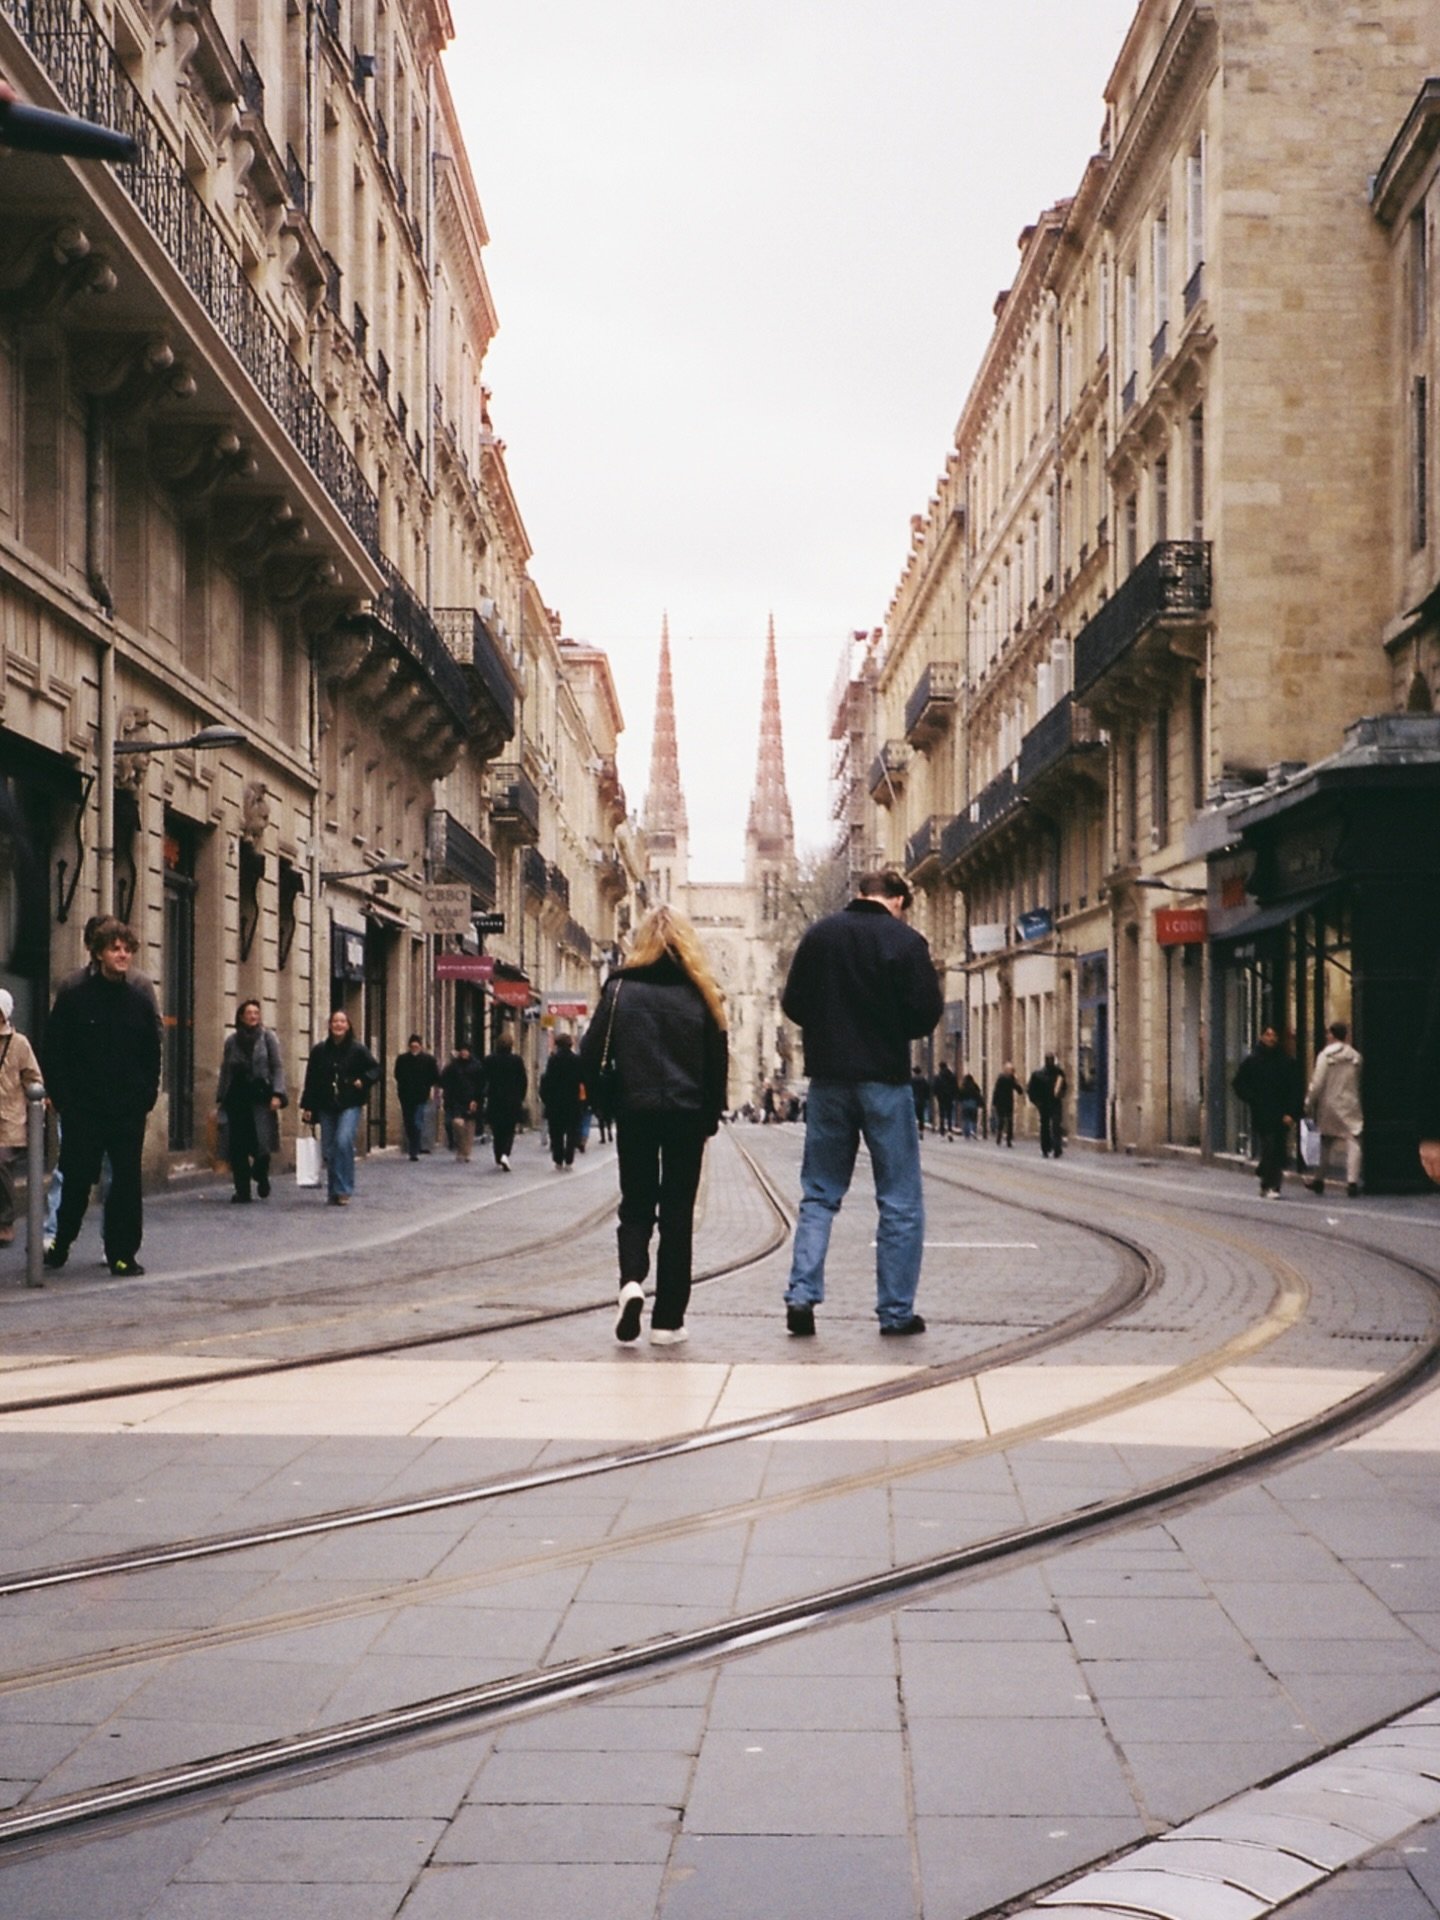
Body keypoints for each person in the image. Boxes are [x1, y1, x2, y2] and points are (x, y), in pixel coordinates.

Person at [779, 869, 943, 1338]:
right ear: (896, 900)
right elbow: (926, 1013)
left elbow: (793, 1003)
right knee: (900, 1200)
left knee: (820, 1193)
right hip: (885, 1081)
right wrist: (889, 1028)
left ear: (859, 895)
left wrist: (829, 1027)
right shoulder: (905, 941)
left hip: (828, 1081)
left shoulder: (819, 936)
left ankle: (801, 1296)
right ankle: (895, 1312)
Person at [579, 905, 728, 1345]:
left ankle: (630, 1283)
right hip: (685, 1116)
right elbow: (717, 1064)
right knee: (678, 1214)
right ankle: (667, 1322)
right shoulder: (703, 992)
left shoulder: (621, 989)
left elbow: (590, 1056)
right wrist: (708, 1119)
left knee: (636, 1204)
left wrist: (609, 1105)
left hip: (636, 1111)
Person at [41, 917, 161, 1275]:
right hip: (84, 1109)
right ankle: (61, 1242)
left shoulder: (138, 1001)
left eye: (126, 949)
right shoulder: (75, 998)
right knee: (77, 1179)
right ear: (98, 954)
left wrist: (146, 1096)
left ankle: (122, 1253)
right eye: (115, 949)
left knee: (125, 1184)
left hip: (126, 1110)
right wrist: (64, 1099)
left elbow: (151, 1051)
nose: (122, 955)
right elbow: (55, 1050)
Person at [299, 1008, 379, 1206]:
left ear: (348, 1025)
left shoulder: (358, 1050)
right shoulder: (319, 1051)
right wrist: (308, 1106)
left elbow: (375, 1068)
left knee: (343, 1142)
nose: (338, 1025)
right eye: (335, 1021)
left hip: (350, 1102)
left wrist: (364, 1079)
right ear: (330, 1025)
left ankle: (344, 1189)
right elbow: (311, 1080)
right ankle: (333, 1189)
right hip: (326, 1104)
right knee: (329, 1149)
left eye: (342, 1021)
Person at [216, 999, 285, 1203]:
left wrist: (278, 1094)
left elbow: (278, 1066)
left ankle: (261, 1175)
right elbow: (225, 1070)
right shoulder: (232, 1040)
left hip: (260, 1096)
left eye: (256, 1012)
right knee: (238, 1146)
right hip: (237, 1098)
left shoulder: (268, 1037)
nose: (253, 1016)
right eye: (249, 1013)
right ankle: (242, 1191)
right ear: (241, 1016)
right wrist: (221, 1097)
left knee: (262, 1146)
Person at [1232, 1024, 1303, 1199]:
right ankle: (1271, 1184)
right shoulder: (1252, 1061)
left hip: (1281, 1113)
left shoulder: (1286, 1061)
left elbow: (1295, 1089)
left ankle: (1270, 1183)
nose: (1271, 1038)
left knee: (1276, 1148)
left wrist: (1292, 1113)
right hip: (1262, 1112)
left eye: (1274, 1035)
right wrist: (1252, 1098)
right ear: (1262, 1037)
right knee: (1270, 1145)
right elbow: (1238, 1083)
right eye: (1267, 1034)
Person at [0, 989, 42, 1248]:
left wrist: (35, 1105)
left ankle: (5, 1221)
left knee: (1, 1162)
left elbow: (33, 1078)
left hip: (9, 1121)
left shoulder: (19, 1044)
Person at [1304, 1020, 1363, 1198]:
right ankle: (1352, 1181)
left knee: (1326, 1141)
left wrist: (1309, 1102)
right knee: (1353, 1140)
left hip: (1328, 1104)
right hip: (1349, 1103)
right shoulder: (1356, 1057)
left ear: (1331, 1035)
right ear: (1346, 1035)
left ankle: (1319, 1179)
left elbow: (1317, 1083)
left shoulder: (1325, 1056)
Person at [539, 1032, 585, 1170]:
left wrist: (545, 1098)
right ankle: (569, 1158)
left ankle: (558, 1159)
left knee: (556, 1132)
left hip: (555, 1102)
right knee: (572, 1131)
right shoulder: (576, 1060)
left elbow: (547, 1080)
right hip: (572, 1102)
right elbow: (582, 1080)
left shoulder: (553, 1060)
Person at [482, 1030, 527, 1171]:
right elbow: (523, 1081)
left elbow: (483, 1079)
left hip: (495, 1100)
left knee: (497, 1131)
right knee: (509, 1130)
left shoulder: (489, 1060)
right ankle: (505, 1154)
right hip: (512, 1101)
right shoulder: (517, 1061)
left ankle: (498, 1155)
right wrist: (521, 1096)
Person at [394, 1034, 439, 1161]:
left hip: (421, 1095)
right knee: (408, 1122)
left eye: (416, 1045)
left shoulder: (428, 1060)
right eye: (412, 1045)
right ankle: (412, 1145)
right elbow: (397, 1074)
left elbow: (434, 1076)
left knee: (417, 1121)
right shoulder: (402, 1059)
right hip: (405, 1095)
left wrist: (426, 1086)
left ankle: (414, 1149)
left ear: (420, 1046)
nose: (414, 1047)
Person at [439, 1042, 481, 1162]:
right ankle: (461, 1148)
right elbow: (443, 1079)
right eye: (462, 1050)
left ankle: (466, 1152)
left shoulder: (476, 1066)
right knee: (458, 1124)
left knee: (469, 1126)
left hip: (471, 1099)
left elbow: (480, 1084)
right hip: (455, 1099)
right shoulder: (453, 1066)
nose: (464, 1052)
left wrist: (477, 1099)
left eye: (466, 1050)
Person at [1027, 1052, 1068, 1158]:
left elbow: (1064, 1087)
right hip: (1044, 1104)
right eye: (1048, 1059)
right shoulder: (1038, 1074)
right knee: (1045, 1126)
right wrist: (1037, 1102)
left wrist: (1060, 1094)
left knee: (1055, 1125)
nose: (1050, 1061)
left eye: (1051, 1059)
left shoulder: (1059, 1073)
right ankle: (1045, 1147)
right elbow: (1031, 1090)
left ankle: (1056, 1148)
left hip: (1054, 1103)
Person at [991, 1061, 1025, 1148]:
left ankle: (1007, 1139)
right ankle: (1001, 1136)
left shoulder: (1008, 1078)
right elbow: (996, 1091)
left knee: (1008, 1121)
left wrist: (994, 1102)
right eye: (1010, 1070)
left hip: (1006, 1102)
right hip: (1003, 1102)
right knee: (1003, 1121)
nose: (1011, 1072)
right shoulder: (1003, 1078)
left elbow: (1018, 1089)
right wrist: (994, 1103)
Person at [933, 1060, 958, 1138]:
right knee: (949, 1114)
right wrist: (955, 1096)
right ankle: (950, 1129)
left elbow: (935, 1087)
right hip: (949, 1097)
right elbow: (955, 1087)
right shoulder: (952, 1076)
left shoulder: (938, 1077)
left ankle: (942, 1130)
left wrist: (936, 1094)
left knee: (942, 1114)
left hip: (941, 1097)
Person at [957, 1069, 983, 1140]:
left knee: (966, 1119)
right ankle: (973, 1131)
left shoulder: (963, 1087)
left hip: (965, 1104)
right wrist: (980, 1103)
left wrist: (960, 1101)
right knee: (974, 1119)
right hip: (973, 1104)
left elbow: (959, 1095)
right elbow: (978, 1094)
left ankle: (967, 1133)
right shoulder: (975, 1086)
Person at [910, 1064, 932, 1135]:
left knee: (913, 1116)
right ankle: (921, 1130)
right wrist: (927, 1098)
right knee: (921, 1116)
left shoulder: (912, 1080)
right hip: (922, 1100)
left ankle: (914, 1131)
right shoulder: (923, 1080)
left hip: (914, 1100)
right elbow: (927, 1089)